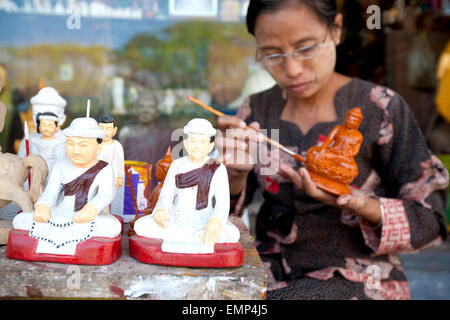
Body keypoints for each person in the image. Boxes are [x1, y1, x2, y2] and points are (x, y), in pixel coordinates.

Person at [216, 0, 449, 300]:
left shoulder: (380, 108)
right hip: (268, 274)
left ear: (336, 30)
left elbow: (432, 221)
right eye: (273, 54)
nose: (292, 69)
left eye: (306, 48)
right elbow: (218, 225)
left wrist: (359, 204)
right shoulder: (257, 112)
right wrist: (234, 176)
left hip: (361, 279)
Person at [12, 117, 121, 256]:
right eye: (70, 144)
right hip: (61, 213)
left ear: (98, 147)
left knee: (112, 227)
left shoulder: (105, 168)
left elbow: (106, 194)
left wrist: (92, 207)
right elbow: (51, 191)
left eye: (83, 145)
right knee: (19, 221)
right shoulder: (61, 166)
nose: (75, 150)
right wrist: (43, 205)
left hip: (90, 215)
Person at [134, 118, 240, 254]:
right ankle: (194, 238)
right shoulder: (177, 165)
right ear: (186, 144)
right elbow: (166, 194)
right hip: (176, 217)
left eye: (202, 142)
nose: (197, 146)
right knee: (141, 226)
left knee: (232, 233)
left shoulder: (218, 168)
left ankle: (197, 236)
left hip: (204, 219)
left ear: (210, 146)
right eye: (193, 141)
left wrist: (215, 221)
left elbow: (222, 204)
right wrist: (161, 210)